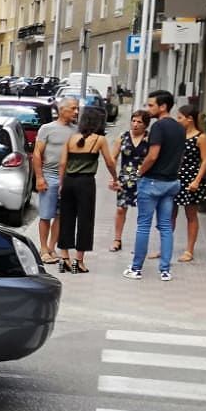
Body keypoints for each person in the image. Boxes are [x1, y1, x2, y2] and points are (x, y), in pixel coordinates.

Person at [124, 90, 186, 282]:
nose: (148, 108)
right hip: (171, 182)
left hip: (152, 182)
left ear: (163, 106)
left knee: (143, 226)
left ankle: (136, 268)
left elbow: (152, 155)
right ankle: (165, 270)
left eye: (151, 105)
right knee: (166, 226)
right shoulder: (180, 127)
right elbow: (180, 155)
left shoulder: (158, 127)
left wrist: (139, 172)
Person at [57, 108, 116, 274]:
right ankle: (78, 261)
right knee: (85, 220)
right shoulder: (100, 139)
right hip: (86, 182)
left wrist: (61, 184)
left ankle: (64, 259)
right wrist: (115, 178)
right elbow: (110, 163)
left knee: (66, 218)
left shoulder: (70, 138)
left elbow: (62, 163)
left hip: (68, 181)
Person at [32, 97, 79, 262]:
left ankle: (52, 248)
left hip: (68, 178)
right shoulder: (47, 129)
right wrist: (39, 177)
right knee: (46, 215)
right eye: (73, 108)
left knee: (61, 215)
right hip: (49, 176)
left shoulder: (76, 130)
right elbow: (37, 154)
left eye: (77, 108)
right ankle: (43, 249)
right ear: (62, 110)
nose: (76, 112)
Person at [172, 100, 206, 262]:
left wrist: (197, 180)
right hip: (175, 178)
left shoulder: (201, 137)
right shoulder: (178, 135)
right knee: (170, 214)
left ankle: (189, 249)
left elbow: (205, 160)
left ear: (189, 119)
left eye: (180, 117)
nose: (177, 120)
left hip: (191, 179)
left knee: (191, 215)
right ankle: (164, 246)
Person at [108, 110, 148, 252]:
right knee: (120, 209)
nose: (135, 124)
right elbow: (113, 158)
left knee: (143, 211)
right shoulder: (123, 137)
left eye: (139, 122)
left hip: (143, 179)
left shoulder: (149, 139)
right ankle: (117, 239)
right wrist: (113, 178)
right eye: (134, 121)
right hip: (125, 178)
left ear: (145, 125)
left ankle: (140, 242)